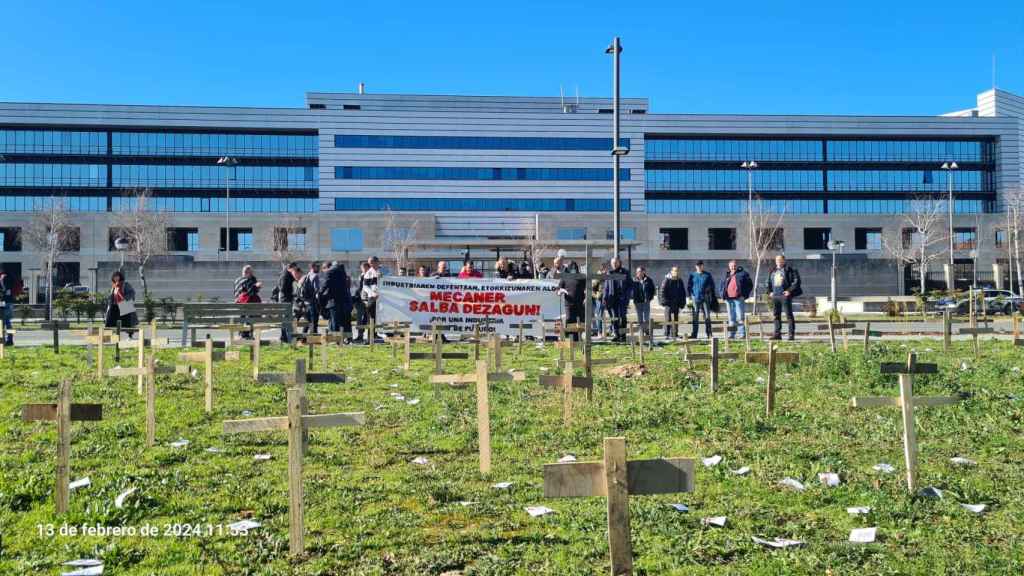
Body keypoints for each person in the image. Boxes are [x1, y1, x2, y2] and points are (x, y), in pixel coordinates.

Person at [767, 254, 802, 340]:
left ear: (784, 261)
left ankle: (791, 334)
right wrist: (769, 292)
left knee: (788, 315)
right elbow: (768, 282)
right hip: (775, 296)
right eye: (777, 260)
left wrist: (789, 291)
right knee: (776, 315)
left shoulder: (789, 270)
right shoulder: (773, 271)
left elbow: (796, 281)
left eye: (780, 260)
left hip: (784, 296)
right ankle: (777, 334)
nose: (778, 261)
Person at [721, 259, 754, 339]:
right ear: (729, 267)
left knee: (740, 317)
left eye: (734, 266)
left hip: (738, 298)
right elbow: (722, 285)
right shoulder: (727, 275)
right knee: (731, 318)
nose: (733, 267)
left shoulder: (743, 274)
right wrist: (722, 294)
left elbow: (750, 285)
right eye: (731, 266)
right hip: (729, 299)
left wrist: (744, 295)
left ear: (737, 266)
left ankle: (742, 334)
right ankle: (732, 334)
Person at [602, 256, 630, 342]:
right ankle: (617, 335)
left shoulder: (625, 272)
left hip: (622, 299)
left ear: (619, 262)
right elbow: (606, 287)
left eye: (616, 262)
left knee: (622, 318)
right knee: (614, 318)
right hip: (612, 299)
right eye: (613, 263)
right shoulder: (609, 273)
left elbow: (630, 285)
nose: (614, 264)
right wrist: (604, 297)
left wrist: (627, 296)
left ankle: (623, 335)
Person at [557, 259, 585, 341]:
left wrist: (586, 296)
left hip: (580, 303)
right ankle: (570, 337)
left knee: (579, 320)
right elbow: (558, 289)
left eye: (574, 267)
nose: (573, 269)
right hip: (569, 303)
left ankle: (578, 338)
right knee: (569, 319)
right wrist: (561, 291)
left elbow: (587, 287)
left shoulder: (581, 277)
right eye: (571, 267)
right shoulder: (564, 277)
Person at [687, 261, 716, 340]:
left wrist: (707, 290)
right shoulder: (692, 275)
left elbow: (712, 285)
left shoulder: (707, 275)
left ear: (703, 266)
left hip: (705, 298)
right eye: (698, 266)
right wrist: (690, 295)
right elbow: (689, 286)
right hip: (695, 298)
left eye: (701, 265)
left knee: (707, 316)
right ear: (695, 267)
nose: (699, 267)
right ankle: (694, 334)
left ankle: (709, 333)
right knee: (695, 317)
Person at [324, 261, 353, 339]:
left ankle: (337, 339)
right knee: (345, 321)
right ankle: (348, 338)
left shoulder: (331, 273)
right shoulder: (345, 276)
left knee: (335, 321)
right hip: (346, 301)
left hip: (335, 301)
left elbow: (326, 286)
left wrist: (322, 294)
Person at [659, 266, 686, 339]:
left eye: (677, 271)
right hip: (668, 303)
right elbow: (662, 291)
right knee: (668, 319)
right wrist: (664, 302)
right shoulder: (667, 280)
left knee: (676, 319)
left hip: (676, 303)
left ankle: (675, 333)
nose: (676, 272)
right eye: (675, 271)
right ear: (671, 271)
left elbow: (683, 292)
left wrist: (682, 303)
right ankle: (667, 334)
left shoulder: (679, 281)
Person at [359, 257, 381, 343]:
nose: (372, 264)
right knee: (371, 318)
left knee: (376, 319)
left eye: (373, 262)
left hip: (381, 299)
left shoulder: (380, 272)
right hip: (372, 299)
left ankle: (374, 335)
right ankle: (369, 338)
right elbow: (365, 286)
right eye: (371, 263)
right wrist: (372, 294)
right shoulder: (368, 273)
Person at [631, 266, 656, 337]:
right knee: (639, 317)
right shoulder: (634, 280)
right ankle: (641, 331)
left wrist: (649, 298)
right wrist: (633, 296)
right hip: (637, 301)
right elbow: (631, 290)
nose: (639, 273)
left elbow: (652, 290)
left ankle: (646, 331)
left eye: (640, 271)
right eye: (638, 272)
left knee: (646, 317)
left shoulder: (648, 280)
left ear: (644, 272)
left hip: (646, 301)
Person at [299, 262, 321, 334]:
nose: (319, 268)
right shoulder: (315, 276)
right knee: (314, 321)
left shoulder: (306, 276)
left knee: (308, 321)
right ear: (313, 267)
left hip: (306, 302)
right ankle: (314, 338)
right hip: (313, 302)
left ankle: (303, 338)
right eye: (318, 267)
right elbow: (317, 290)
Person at [353, 262, 370, 341]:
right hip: (360, 300)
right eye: (362, 269)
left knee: (368, 318)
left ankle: (371, 336)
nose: (362, 270)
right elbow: (359, 288)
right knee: (360, 319)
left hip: (368, 300)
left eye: (363, 268)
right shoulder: (362, 276)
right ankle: (360, 335)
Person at [592, 264, 607, 338]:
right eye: (603, 270)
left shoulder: (608, 276)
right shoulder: (597, 277)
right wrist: (596, 296)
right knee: (599, 316)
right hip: (600, 299)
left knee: (612, 315)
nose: (605, 271)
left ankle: (611, 331)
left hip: (608, 298)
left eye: (605, 269)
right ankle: (599, 332)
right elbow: (591, 288)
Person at [0, 272, 13, 345]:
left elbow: (4, 294)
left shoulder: (4, 284)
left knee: (4, 322)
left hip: (4, 303)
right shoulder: (10, 281)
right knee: (8, 322)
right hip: (9, 303)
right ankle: (9, 339)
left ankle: (5, 340)